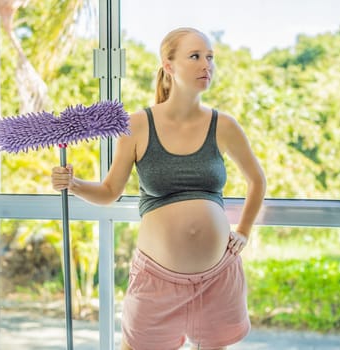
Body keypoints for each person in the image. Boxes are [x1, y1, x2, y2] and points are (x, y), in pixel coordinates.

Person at [52, 27, 266, 350]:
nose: (206, 65)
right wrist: (74, 184)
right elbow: (111, 190)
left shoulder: (224, 125)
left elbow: (257, 180)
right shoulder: (137, 125)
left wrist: (244, 231)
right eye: (195, 56)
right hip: (157, 283)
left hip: (218, 277)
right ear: (168, 65)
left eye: (210, 57)